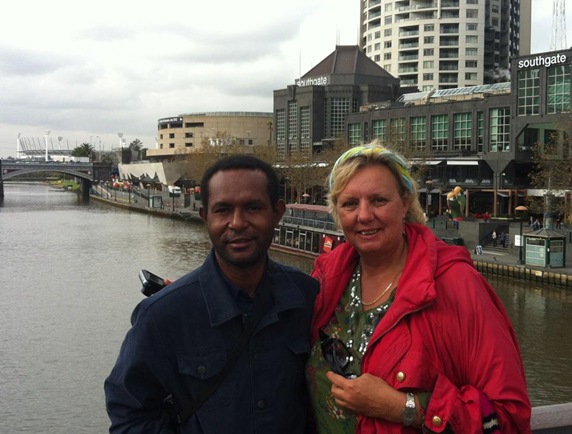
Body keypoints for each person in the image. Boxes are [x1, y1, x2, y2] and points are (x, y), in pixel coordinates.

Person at [306, 143, 531, 433]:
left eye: (378, 200)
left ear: (405, 203)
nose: (364, 215)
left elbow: (509, 417)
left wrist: (401, 407)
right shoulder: (325, 280)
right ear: (337, 212)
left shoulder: (457, 286)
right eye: (350, 203)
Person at [105, 155, 319, 433]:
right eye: (223, 210)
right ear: (205, 217)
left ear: (277, 213)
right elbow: (130, 416)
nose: (237, 223)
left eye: (253, 208)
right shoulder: (163, 315)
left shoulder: (307, 296)